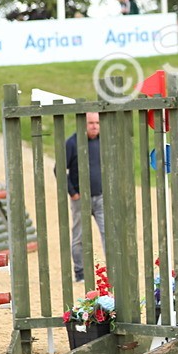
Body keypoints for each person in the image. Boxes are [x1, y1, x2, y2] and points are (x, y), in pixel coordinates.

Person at [66, 112, 106, 282]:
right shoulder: (72, 143)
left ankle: (112, 269)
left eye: (97, 122)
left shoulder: (103, 141)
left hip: (101, 197)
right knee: (79, 236)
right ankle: (80, 272)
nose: (94, 126)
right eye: (90, 123)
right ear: (83, 124)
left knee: (108, 233)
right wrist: (73, 192)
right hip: (80, 198)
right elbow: (59, 169)